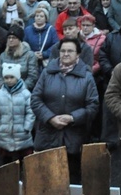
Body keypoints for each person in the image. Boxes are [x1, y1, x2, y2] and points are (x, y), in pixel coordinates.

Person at [31, 38, 99, 184]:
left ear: (78, 55)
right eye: (63, 51)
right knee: (45, 182)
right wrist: (50, 118)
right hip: (47, 137)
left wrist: (72, 118)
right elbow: (35, 99)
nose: (66, 54)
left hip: (74, 139)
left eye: (70, 51)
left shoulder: (87, 77)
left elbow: (93, 106)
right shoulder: (47, 73)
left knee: (72, 183)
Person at [0, 62, 35, 165]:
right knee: (6, 161)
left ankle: (24, 177)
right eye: (6, 77)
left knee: (24, 160)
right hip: (4, 133)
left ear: (17, 77)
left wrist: (27, 127)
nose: (9, 80)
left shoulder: (26, 94)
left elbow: (31, 111)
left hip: (22, 133)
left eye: (11, 77)